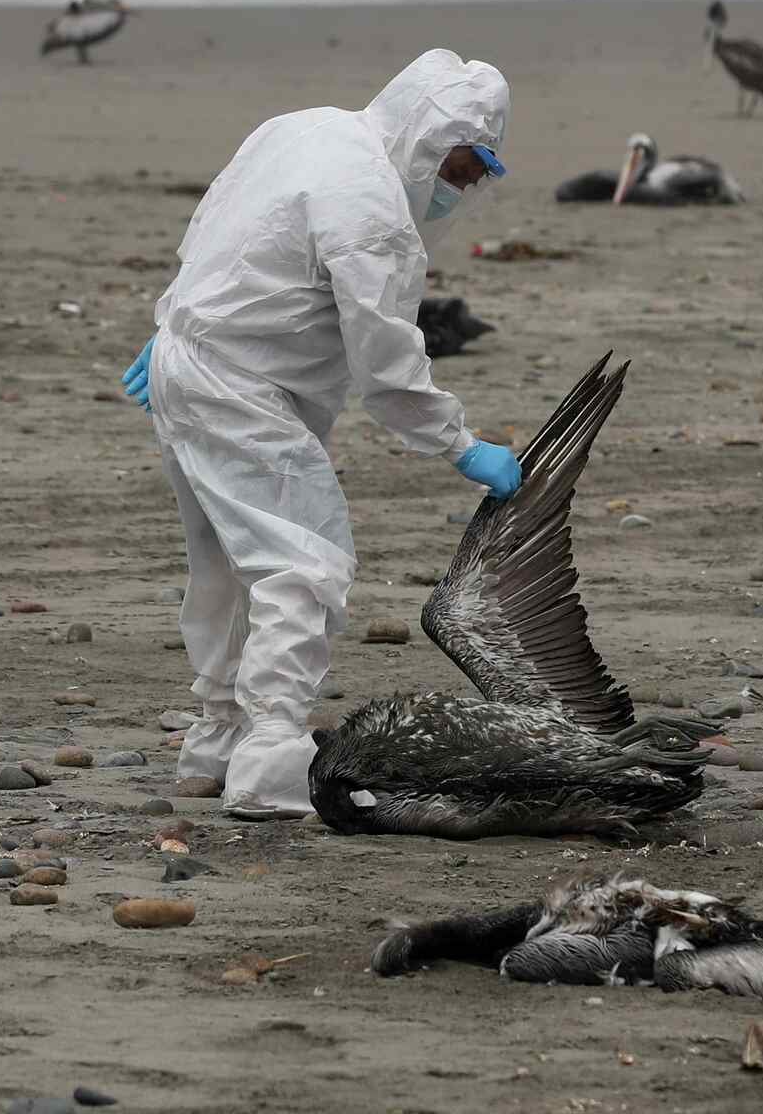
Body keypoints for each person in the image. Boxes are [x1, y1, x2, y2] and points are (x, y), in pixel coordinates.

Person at [119, 48, 520, 820]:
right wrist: (461, 445)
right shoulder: (374, 212)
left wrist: (172, 321)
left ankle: (218, 739)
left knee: (226, 562)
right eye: (461, 166)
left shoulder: (302, 129)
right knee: (303, 561)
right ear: (427, 136)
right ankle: (270, 757)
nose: (461, 186)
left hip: (193, 362)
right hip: (243, 387)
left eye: (477, 174)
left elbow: (216, 228)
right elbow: (385, 364)